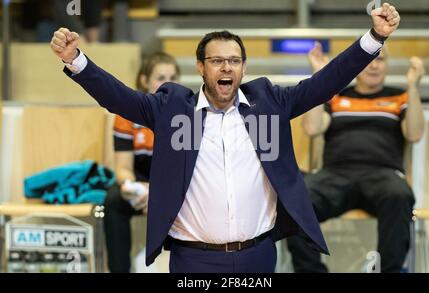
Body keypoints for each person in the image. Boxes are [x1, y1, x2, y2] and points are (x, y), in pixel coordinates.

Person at [50, 3, 401, 273]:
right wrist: (76, 61)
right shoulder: (173, 109)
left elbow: (327, 81)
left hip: (258, 255)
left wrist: (374, 38)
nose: (226, 68)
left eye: (234, 61)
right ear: (201, 67)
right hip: (193, 259)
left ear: (244, 68)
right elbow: (118, 97)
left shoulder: (270, 103)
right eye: (217, 61)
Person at [287, 40, 425, 273]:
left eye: (380, 60)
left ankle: (388, 270)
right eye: (369, 59)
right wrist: (318, 78)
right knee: (296, 199)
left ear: (387, 65)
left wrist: (413, 87)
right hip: (335, 176)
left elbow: (414, 133)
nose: (374, 66)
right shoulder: (336, 97)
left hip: (382, 175)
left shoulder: (399, 97)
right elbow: (312, 128)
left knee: (400, 195)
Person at [103, 52, 180, 273]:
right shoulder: (127, 114)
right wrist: (135, 189)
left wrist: (160, 193)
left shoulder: (188, 113)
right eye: (161, 77)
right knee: (113, 201)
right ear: (144, 80)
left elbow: (189, 169)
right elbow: (123, 169)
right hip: (141, 185)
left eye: (173, 76)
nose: (168, 83)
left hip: (177, 186)